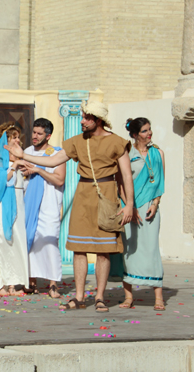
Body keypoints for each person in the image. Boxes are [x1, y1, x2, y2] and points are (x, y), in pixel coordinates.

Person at [7, 101, 134, 313]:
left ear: (98, 120)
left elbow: (127, 175)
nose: (82, 121)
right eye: (82, 117)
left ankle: (100, 297)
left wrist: (129, 204)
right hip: (83, 195)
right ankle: (79, 297)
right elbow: (53, 160)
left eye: (86, 117)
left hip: (107, 194)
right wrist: (23, 155)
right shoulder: (77, 141)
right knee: (79, 248)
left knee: (104, 251)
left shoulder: (117, 142)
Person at [115, 117, 165, 311]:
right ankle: (128, 297)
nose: (149, 133)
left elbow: (160, 182)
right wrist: (130, 206)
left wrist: (155, 203)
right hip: (129, 208)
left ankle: (158, 297)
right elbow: (120, 182)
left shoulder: (158, 153)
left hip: (150, 208)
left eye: (149, 129)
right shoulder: (127, 154)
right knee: (129, 250)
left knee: (152, 249)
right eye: (144, 131)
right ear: (135, 135)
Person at [19, 118, 65, 298]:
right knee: (30, 241)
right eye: (34, 132)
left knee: (49, 242)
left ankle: (53, 284)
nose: (35, 136)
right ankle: (31, 281)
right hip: (29, 204)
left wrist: (38, 170)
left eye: (39, 133)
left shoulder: (57, 153)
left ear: (48, 136)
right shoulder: (27, 152)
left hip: (49, 204)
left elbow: (59, 180)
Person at [0, 122, 29, 297]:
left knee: (16, 241)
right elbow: (1, 181)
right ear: (6, 140)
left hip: (19, 203)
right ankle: (1, 285)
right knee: (1, 242)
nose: (18, 140)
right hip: (4, 203)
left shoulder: (22, 157)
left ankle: (14, 284)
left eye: (18, 137)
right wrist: (14, 166)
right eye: (14, 137)